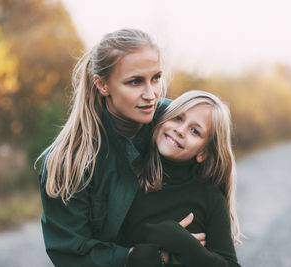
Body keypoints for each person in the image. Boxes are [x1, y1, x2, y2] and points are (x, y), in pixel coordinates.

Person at [36, 29, 205, 267]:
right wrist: (153, 257)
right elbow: (71, 252)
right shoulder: (68, 159)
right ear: (102, 85)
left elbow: (212, 174)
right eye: (135, 81)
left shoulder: (175, 125)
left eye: (156, 78)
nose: (151, 94)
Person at [117, 90, 242, 267]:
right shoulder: (130, 175)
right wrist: (159, 250)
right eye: (178, 118)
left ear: (203, 152)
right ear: (162, 119)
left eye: (195, 131)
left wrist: (186, 246)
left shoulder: (210, 198)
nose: (180, 130)